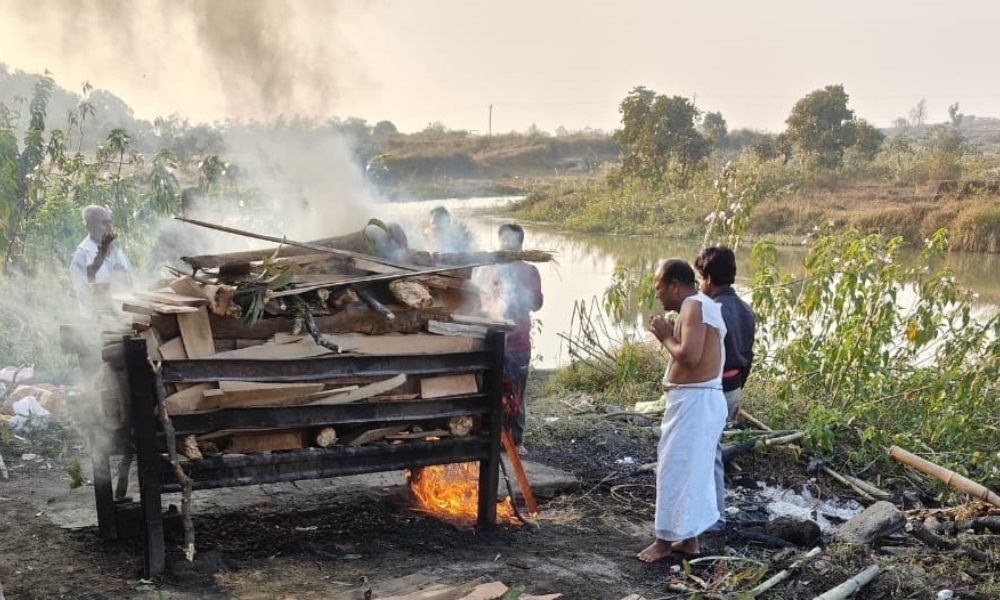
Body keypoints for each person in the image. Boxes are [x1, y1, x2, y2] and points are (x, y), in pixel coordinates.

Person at [638, 258, 727, 562]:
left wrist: (665, 335)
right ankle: (689, 541)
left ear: (675, 285)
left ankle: (664, 541)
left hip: (696, 404)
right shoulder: (700, 306)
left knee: (675, 470)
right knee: (691, 472)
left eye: (659, 286)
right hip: (695, 402)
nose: (657, 293)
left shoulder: (694, 306)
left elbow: (689, 356)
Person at [694, 246, 756, 535]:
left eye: (700, 278)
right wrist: (737, 395)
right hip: (733, 387)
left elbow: (703, 358)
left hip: (714, 387)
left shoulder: (713, 311)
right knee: (711, 449)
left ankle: (714, 518)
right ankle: (709, 513)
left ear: (708, 278)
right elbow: (749, 357)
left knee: (709, 454)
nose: (700, 285)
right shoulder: (746, 310)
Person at [487, 224, 543, 455]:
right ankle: (492, 436)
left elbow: (536, 303)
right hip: (492, 341)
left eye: (512, 243)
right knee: (491, 390)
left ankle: (516, 440)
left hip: (518, 342)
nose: (508, 246)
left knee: (516, 392)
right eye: (504, 242)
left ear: (520, 246)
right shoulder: (490, 269)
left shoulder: (529, 271)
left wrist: (521, 292)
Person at [70, 205, 133, 316]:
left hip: (122, 317)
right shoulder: (82, 256)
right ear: (89, 228)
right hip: (94, 321)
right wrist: (112, 284)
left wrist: (125, 279)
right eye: (104, 223)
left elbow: (132, 286)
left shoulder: (119, 253)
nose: (109, 227)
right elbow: (84, 296)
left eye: (110, 222)